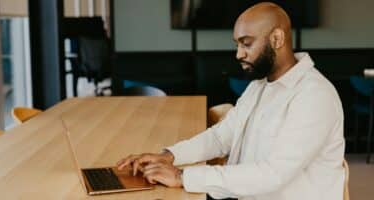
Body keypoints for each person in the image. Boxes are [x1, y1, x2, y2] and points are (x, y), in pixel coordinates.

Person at [116, 2, 345, 200]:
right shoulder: (259, 86)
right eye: (237, 44)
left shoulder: (314, 96)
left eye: (246, 44)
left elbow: (273, 173)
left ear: (277, 38)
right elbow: (221, 137)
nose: (238, 54)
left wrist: (181, 176)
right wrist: (168, 156)